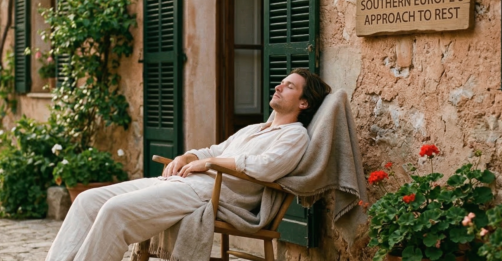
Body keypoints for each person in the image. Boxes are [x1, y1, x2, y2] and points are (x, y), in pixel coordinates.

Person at [45, 68, 331, 261]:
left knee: (113, 212)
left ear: (303, 103)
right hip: (181, 182)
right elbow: (212, 149)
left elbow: (266, 166)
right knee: (86, 200)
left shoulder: (295, 136)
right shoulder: (255, 129)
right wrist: (188, 157)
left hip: (208, 194)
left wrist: (209, 163)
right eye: (282, 82)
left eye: (289, 86)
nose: (279, 86)